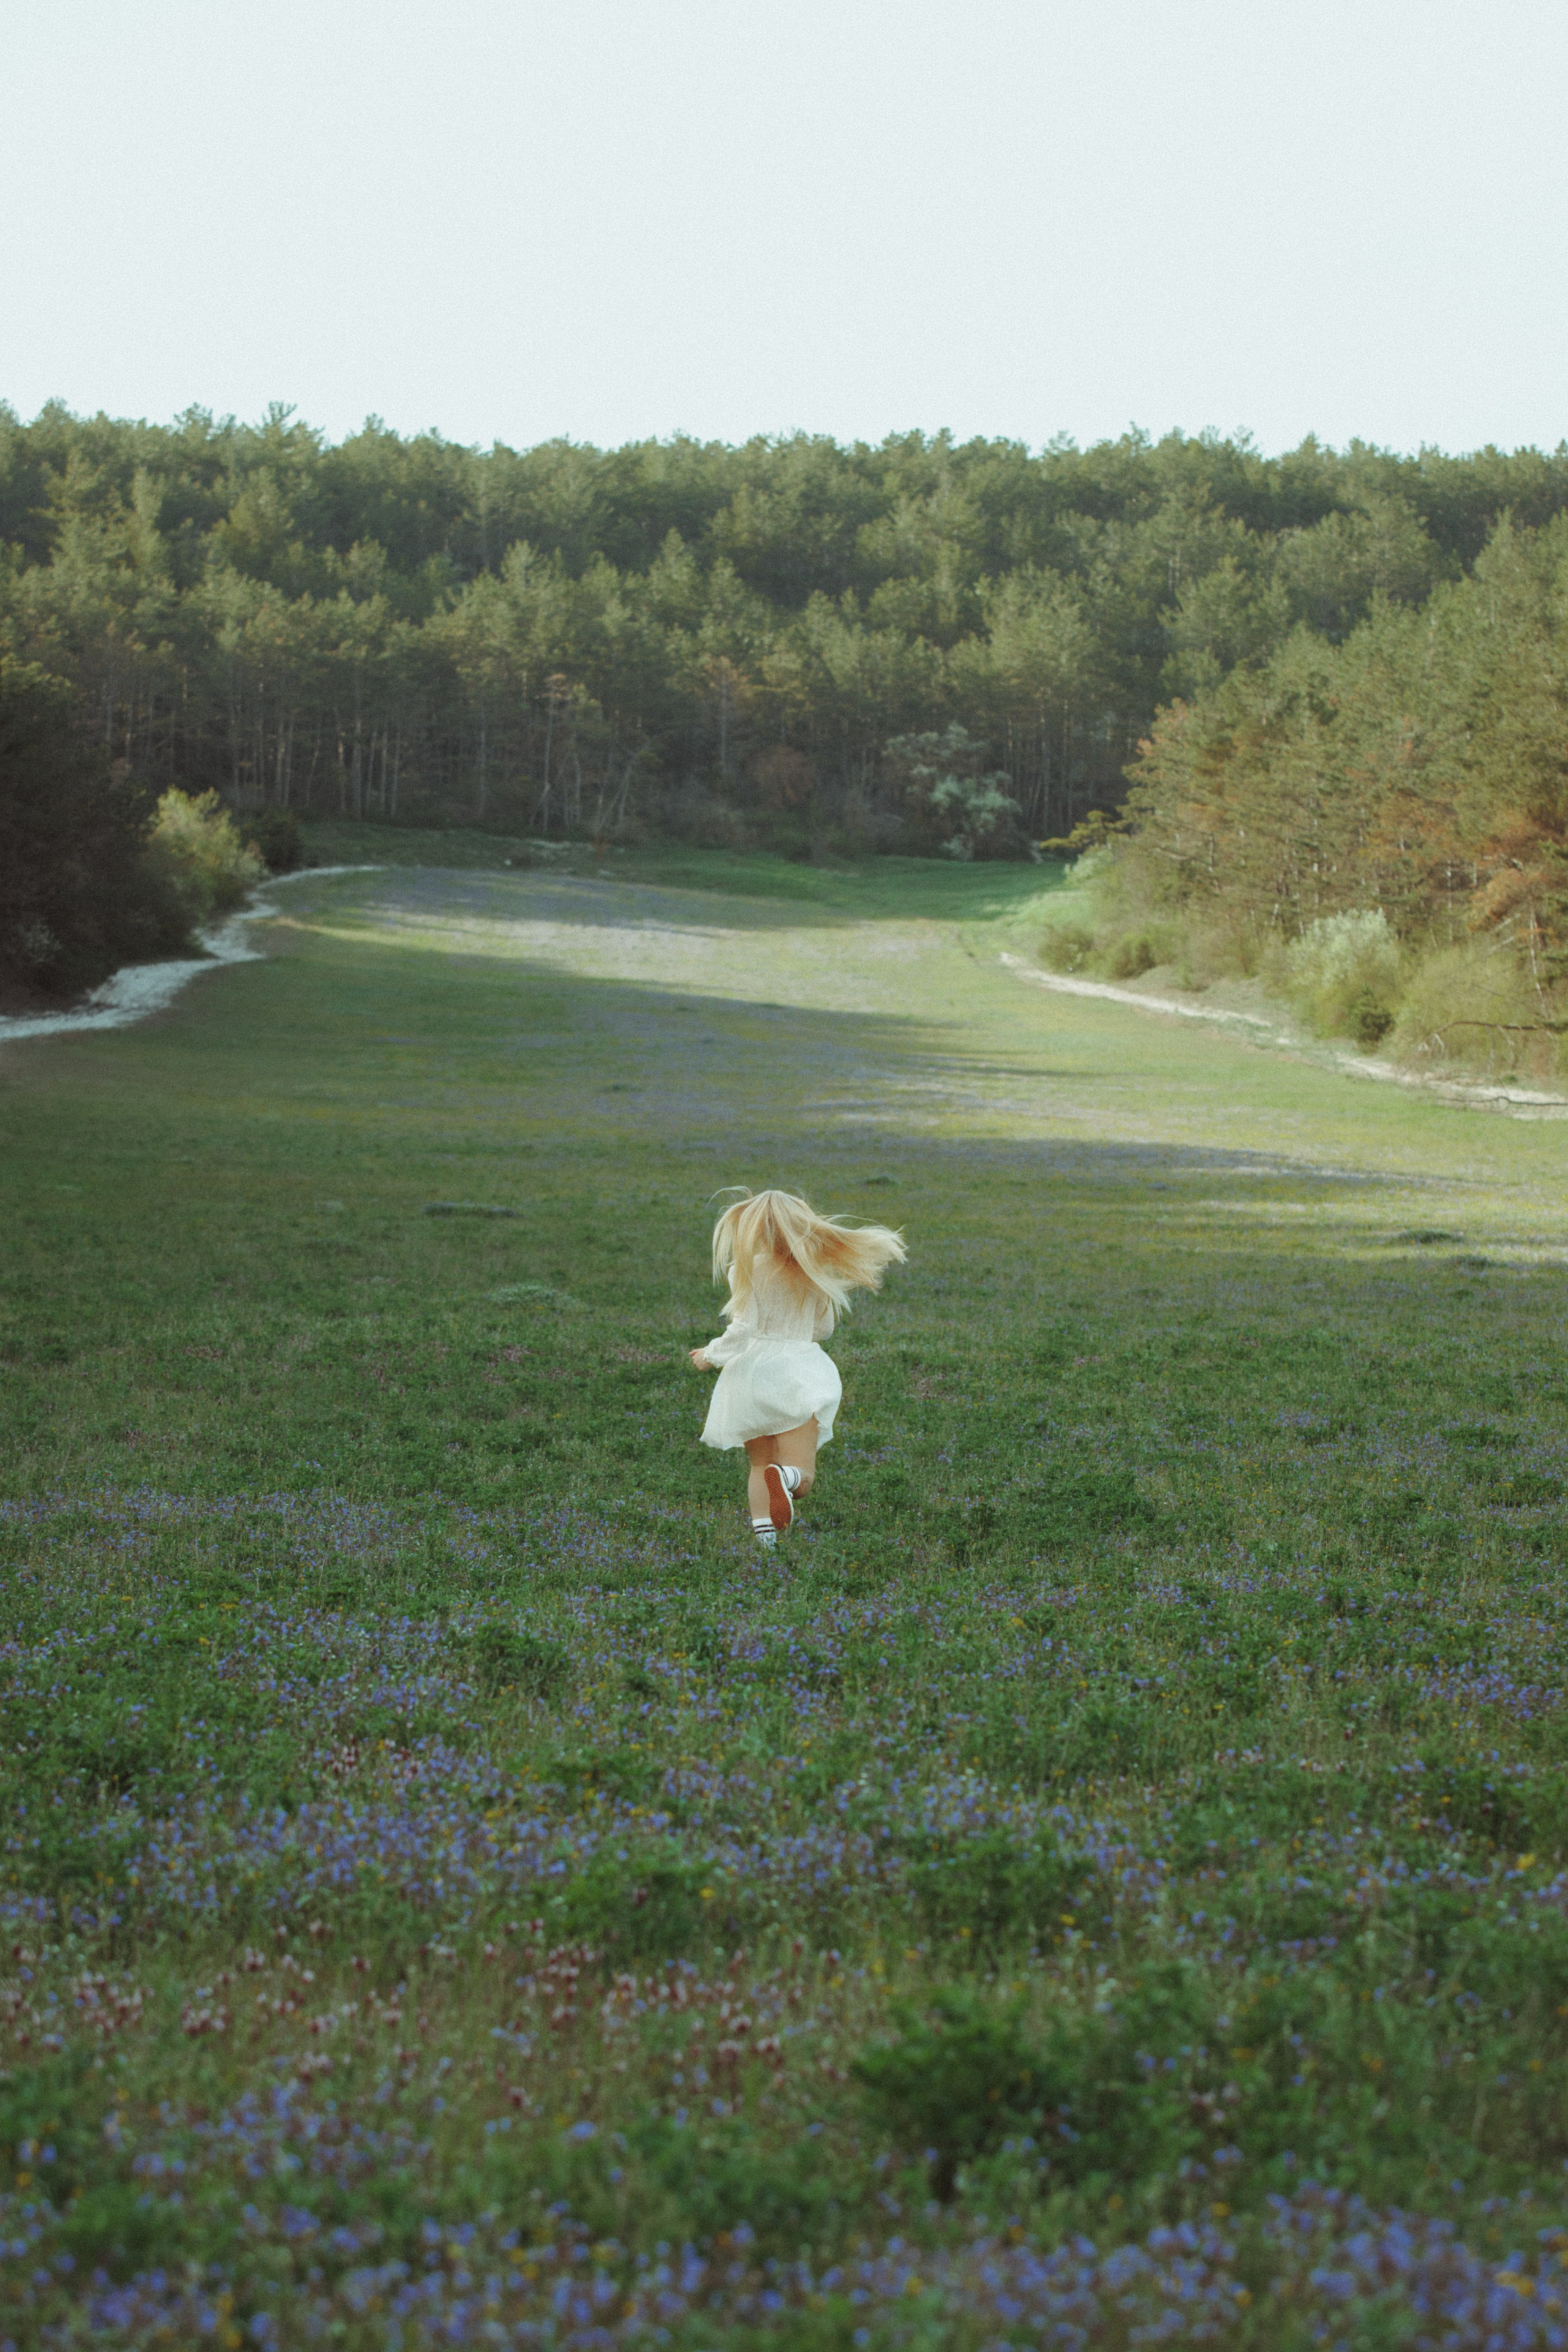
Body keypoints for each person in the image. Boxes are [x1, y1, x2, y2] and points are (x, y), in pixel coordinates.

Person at [689, 1188, 907, 1548]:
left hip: (749, 1376)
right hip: (796, 1375)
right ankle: (786, 1478)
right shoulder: (812, 1270)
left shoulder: (744, 1269)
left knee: (759, 1465)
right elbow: (823, 1330)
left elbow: (743, 1327)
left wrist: (710, 1355)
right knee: (801, 1476)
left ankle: (766, 1548)